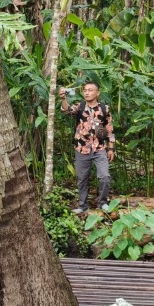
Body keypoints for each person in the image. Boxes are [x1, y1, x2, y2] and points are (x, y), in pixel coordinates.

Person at [58, 81, 116, 214]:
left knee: (104, 176)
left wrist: (111, 149)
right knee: (82, 179)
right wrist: (63, 99)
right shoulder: (80, 106)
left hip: (99, 148)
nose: (87, 92)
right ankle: (82, 206)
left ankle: (103, 203)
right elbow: (67, 110)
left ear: (97, 93)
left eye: (90, 90)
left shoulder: (104, 108)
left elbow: (109, 130)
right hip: (81, 148)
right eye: (85, 90)